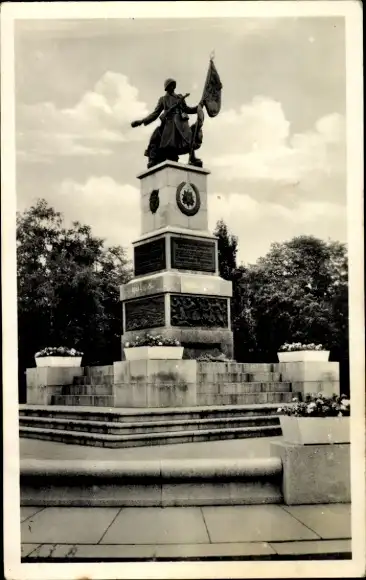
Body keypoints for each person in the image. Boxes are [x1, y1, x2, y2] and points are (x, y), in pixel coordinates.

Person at [131, 78, 204, 168]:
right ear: (167, 88)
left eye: (173, 85)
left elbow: (187, 109)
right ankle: (163, 156)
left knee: (189, 138)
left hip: (182, 122)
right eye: (170, 86)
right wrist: (141, 121)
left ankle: (192, 158)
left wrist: (199, 106)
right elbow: (155, 114)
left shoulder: (180, 97)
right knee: (166, 141)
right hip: (170, 122)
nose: (172, 87)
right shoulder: (163, 99)